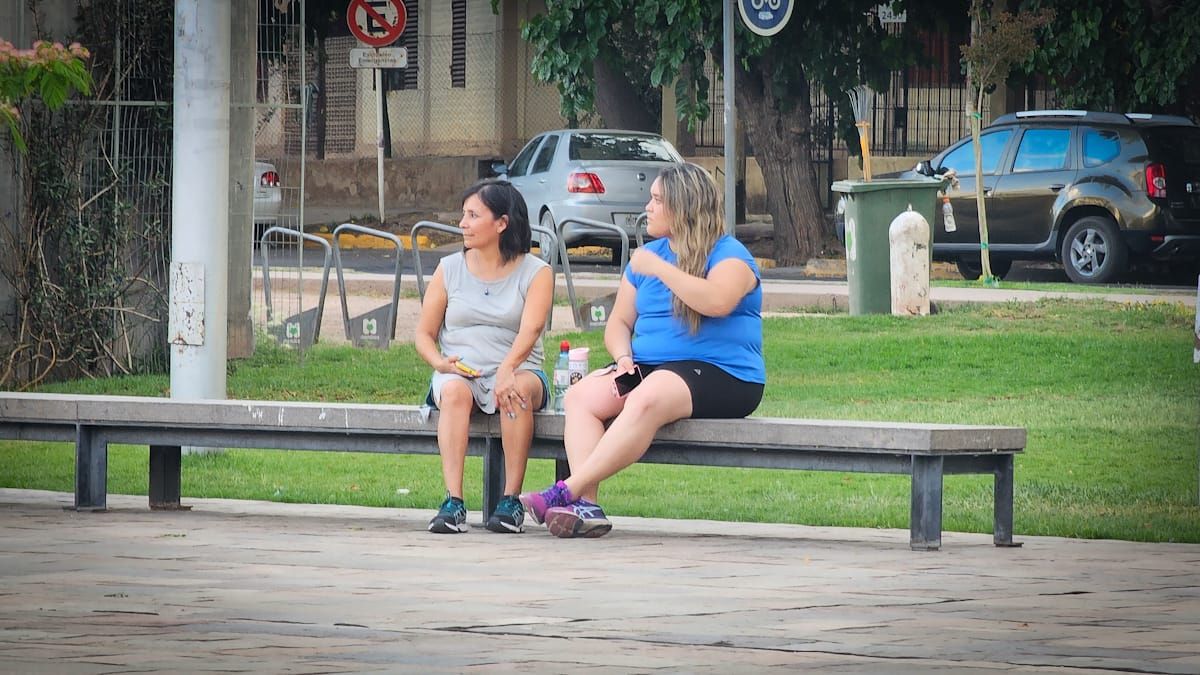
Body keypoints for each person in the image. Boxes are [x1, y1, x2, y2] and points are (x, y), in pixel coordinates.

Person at [519, 162, 765, 538]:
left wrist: (661, 267)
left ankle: (565, 490)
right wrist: (623, 359)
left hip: (724, 374)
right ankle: (586, 506)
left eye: (656, 200)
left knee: (646, 396)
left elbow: (717, 302)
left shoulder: (731, 255)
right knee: (582, 396)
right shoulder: (647, 258)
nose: (647, 207)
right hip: (649, 369)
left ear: (683, 208)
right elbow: (618, 323)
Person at [414, 178, 553, 534]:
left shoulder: (536, 272)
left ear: (502, 223)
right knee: (455, 391)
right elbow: (424, 334)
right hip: (460, 372)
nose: (463, 223)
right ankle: (453, 502)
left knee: (516, 390)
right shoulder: (449, 268)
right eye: (463, 215)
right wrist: (438, 363)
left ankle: (510, 501)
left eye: (473, 215)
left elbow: (532, 329)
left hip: (519, 368)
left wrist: (507, 369)